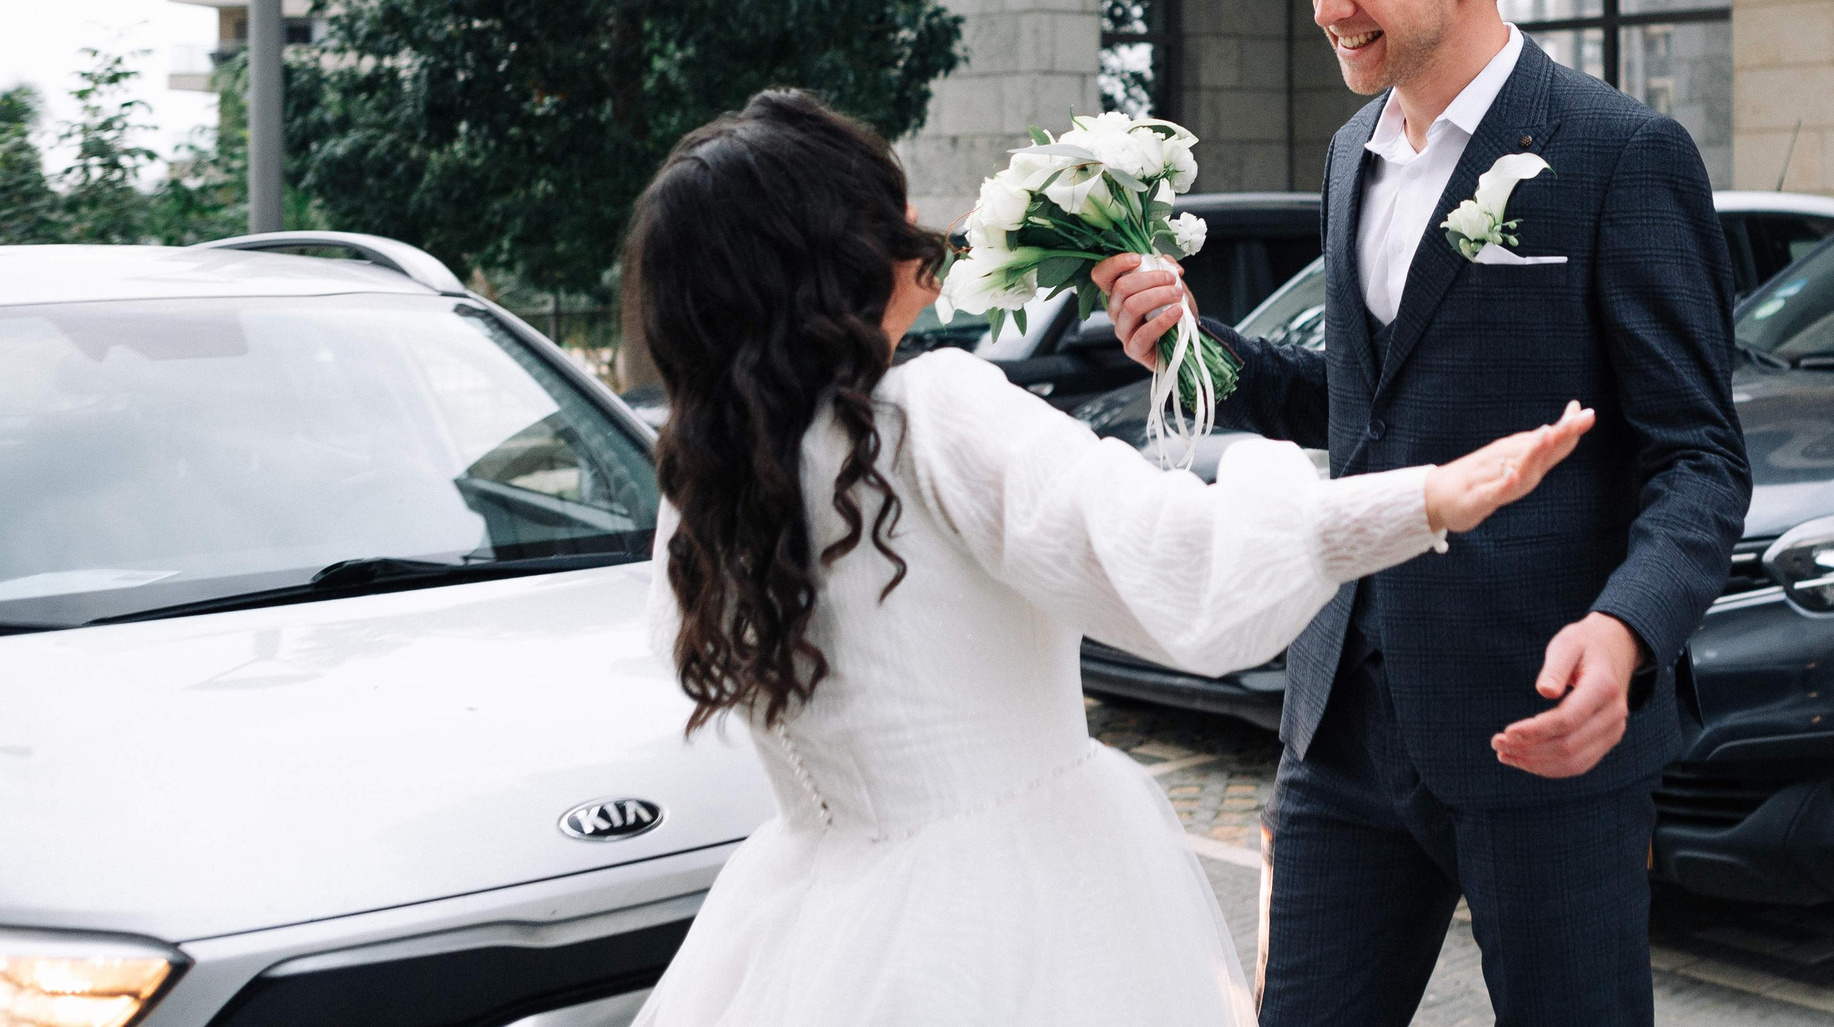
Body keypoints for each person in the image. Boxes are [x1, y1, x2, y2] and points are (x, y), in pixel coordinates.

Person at [625, 89, 1595, 1027]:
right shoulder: (935, 414)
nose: (916, 220)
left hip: (814, 936)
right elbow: (1177, 562)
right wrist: (1420, 498)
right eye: (885, 206)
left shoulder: (701, 482)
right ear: (832, 256)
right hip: (1019, 912)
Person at [1097, 0, 1751, 1027]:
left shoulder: (1619, 155)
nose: (1325, 3)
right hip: (1340, 719)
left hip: (1540, 716)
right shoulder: (1354, 151)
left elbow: (1698, 457)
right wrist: (1193, 345)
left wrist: (1624, 632)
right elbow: (1357, 402)